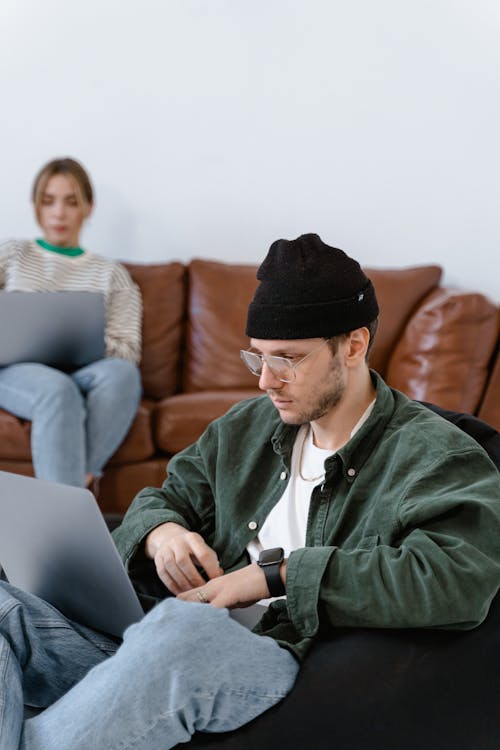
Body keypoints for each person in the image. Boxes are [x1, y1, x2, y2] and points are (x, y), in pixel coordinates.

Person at [1, 233, 499, 750]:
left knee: (181, 633)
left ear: (353, 346)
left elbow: (456, 577)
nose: (265, 381)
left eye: (287, 360)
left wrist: (271, 577)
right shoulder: (247, 427)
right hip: (157, 637)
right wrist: (162, 534)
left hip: (272, 653)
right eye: (257, 357)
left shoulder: (435, 455)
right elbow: (163, 498)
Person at [0, 157, 142, 489]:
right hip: (16, 371)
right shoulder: (11, 255)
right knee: (57, 390)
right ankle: (70, 503)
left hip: (85, 371)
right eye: (48, 201)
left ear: (88, 208)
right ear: (37, 207)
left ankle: (73, 484)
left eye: (71, 202)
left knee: (124, 374)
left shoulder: (113, 274)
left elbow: (128, 350)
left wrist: (82, 339)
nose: (59, 213)